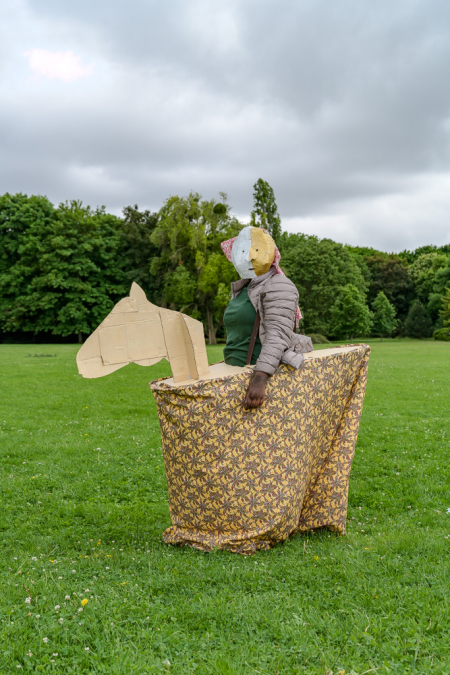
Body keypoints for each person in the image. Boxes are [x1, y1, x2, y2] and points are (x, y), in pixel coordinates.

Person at [221, 226, 312, 410]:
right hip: (234, 373)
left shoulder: (278, 285)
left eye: (252, 250)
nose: (246, 256)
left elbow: (277, 334)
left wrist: (260, 378)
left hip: (257, 376)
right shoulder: (244, 288)